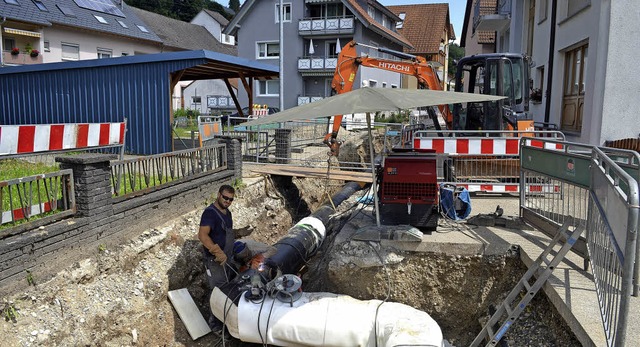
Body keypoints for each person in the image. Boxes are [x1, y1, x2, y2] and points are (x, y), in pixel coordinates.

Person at [198, 184, 237, 336]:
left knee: (228, 289)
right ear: (219, 195)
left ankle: (227, 320)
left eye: (231, 199)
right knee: (218, 292)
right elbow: (202, 235)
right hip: (214, 261)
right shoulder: (210, 213)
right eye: (225, 197)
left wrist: (238, 232)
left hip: (227, 258)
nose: (227, 201)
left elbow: (224, 233)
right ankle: (215, 325)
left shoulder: (228, 213)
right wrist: (216, 251)